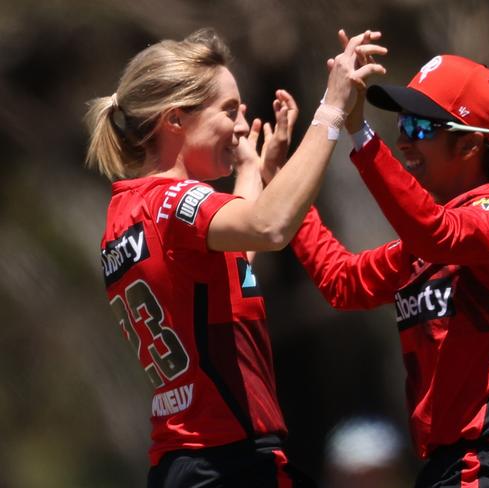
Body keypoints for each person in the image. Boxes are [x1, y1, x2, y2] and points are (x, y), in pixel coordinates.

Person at [84, 27, 386, 487]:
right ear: (176, 120)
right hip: (223, 463)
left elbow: (231, 264)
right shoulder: (173, 201)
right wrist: (332, 108)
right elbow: (270, 226)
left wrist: (252, 170)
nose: (243, 126)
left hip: (194, 461)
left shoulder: (128, 211)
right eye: (229, 111)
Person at [289, 34, 489, 488]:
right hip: (448, 467)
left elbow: (438, 233)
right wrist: (284, 192)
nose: (405, 142)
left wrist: (360, 134)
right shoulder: (426, 244)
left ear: (471, 145)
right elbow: (342, 282)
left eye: (421, 129)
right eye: (403, 125)